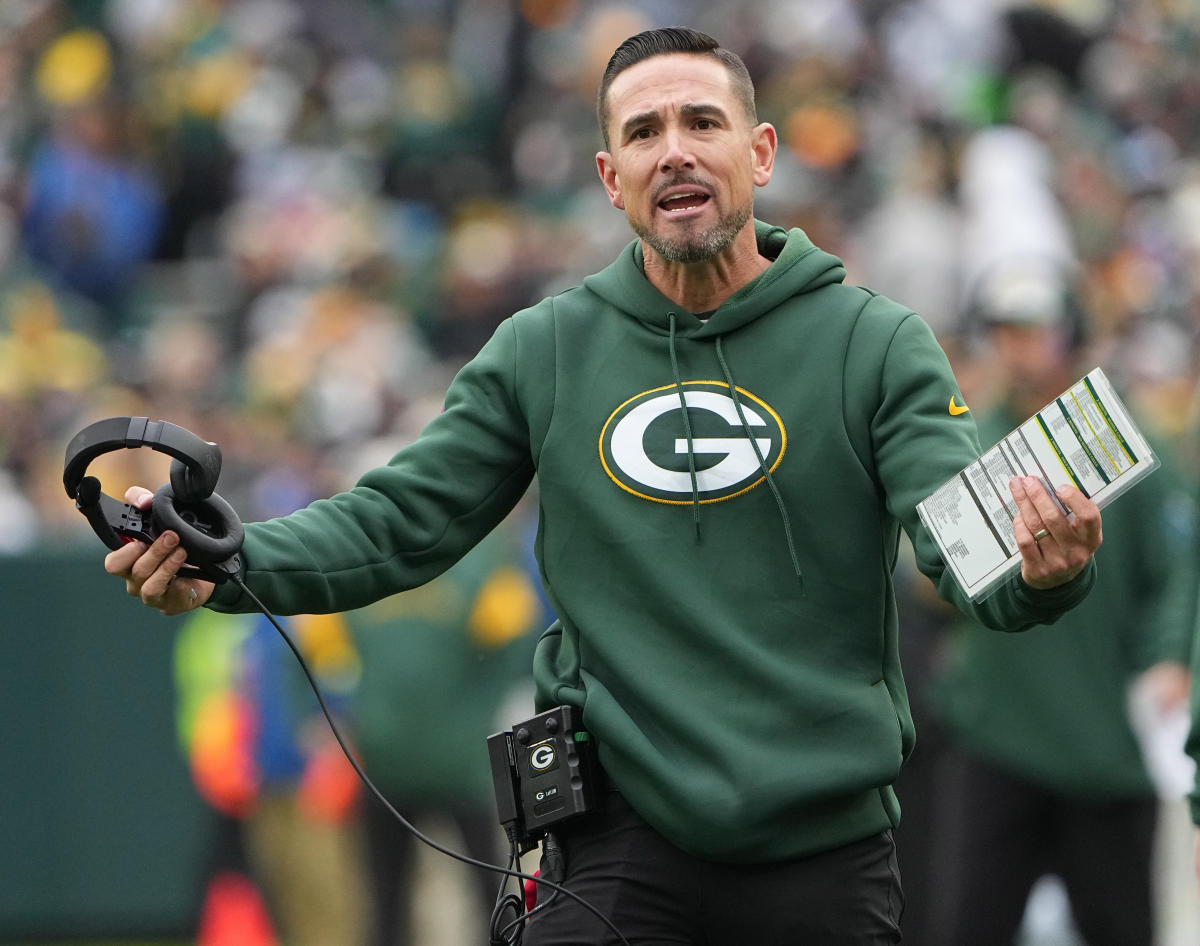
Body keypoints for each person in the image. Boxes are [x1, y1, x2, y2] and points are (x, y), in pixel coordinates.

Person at [103, 27, 1104, 945]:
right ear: (609, 176)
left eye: (701, 122)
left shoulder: (875, 344)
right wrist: (230, 557)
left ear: (758, 154)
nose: (675, 149)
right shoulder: (545, 349)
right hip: (618, 843)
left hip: (825, 848)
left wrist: (1042, 569)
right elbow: (404, 520)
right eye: (644, 131)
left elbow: (965, 547)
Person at [918, 288, 1193, 946]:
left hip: (1108, 744)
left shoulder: (1126, 442)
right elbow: (926, 573)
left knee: (1121, 926)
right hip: (998, 735)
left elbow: (1183, 567)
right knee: (967, 925)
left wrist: (1170, 656)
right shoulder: (972, 439)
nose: (1020, 348)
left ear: (1070, 332)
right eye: (1007, 331)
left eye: (1035, 329)